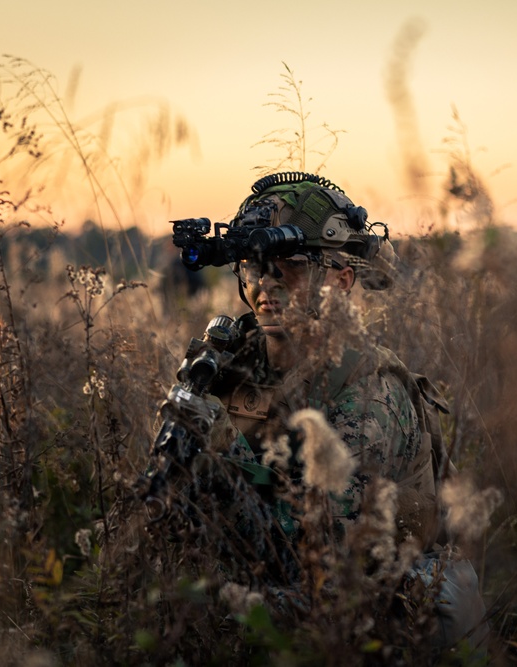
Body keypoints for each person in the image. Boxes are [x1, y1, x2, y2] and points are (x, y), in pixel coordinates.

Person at [146, 171, 486, 656]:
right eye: (253, 267)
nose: (267, 283)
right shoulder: (229, 359)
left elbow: (316, 560)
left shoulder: (371, 393)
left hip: (361, 614)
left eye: (291, 266)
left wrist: (221, 450)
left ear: (342, 281)